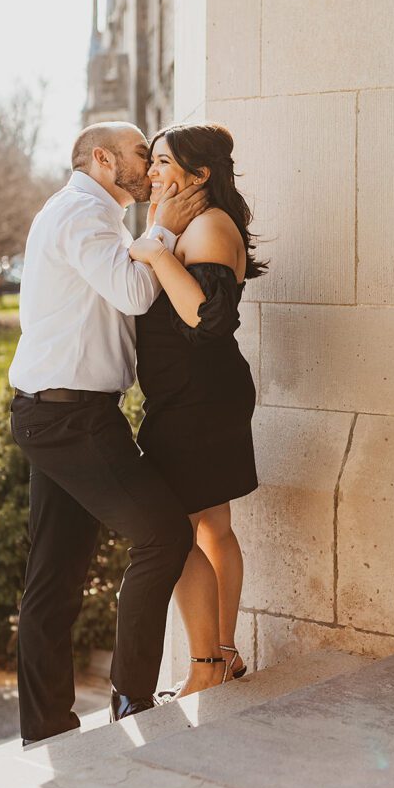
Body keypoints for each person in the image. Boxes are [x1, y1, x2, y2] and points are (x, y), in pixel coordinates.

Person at [8, 121, 207, 744]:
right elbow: (132, 292)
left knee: (53, 580)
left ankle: (46, 732)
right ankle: (131, 700)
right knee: (164, 535)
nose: (150, 167)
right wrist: (166, 230)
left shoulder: (92, 216)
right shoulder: (83, 215)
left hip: (59, 412)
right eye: (140, 154)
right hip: (70, 416)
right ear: (101, 158)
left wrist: (149, 236)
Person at [128, 121, 265, 699]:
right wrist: (161, 235)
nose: (152, 173)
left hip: (196, 401)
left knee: (175, 534)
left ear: (199, 174)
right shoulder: (196, 222)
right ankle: (226, 655)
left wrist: (158, 253)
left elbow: (209, 321)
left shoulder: (208, 226)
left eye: (162, 163)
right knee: (213, 526)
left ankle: (206, 665)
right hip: (200, 395)